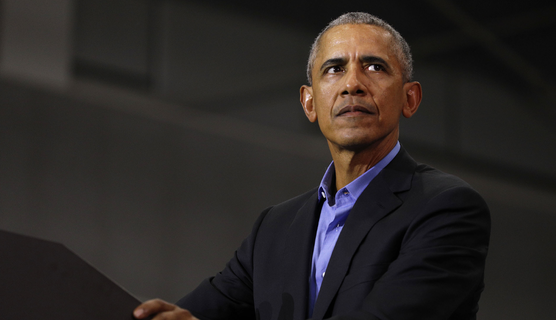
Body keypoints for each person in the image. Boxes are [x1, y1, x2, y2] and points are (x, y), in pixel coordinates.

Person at [134, 12, 490, 320]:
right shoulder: (275, 228)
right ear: (309, 103)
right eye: (335, 69)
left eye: (374, 67)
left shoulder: (446, 208)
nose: (353, 84)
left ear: (409, 99)